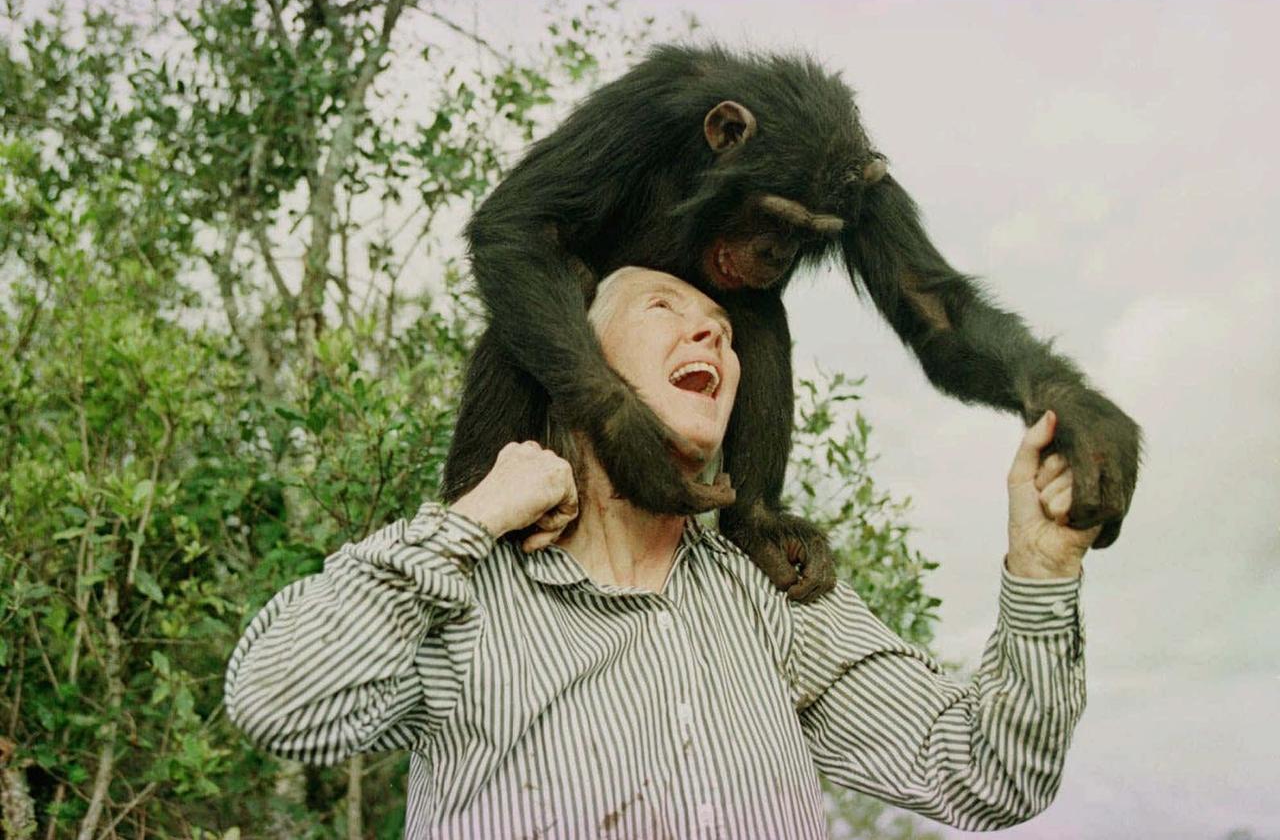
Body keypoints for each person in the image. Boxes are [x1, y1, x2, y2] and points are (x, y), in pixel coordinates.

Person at [224, 266, 1100, 839]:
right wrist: (476, 513)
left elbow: (988, 771)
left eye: (722, 327)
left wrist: (1043, 567)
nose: (711, 335)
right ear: (574, 365)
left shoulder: (770, 597)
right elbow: (277, 697)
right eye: (664, 309)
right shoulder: (469, 594)